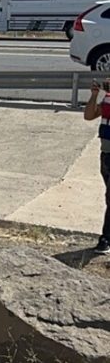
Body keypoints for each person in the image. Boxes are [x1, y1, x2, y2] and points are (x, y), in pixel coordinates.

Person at [83, 79, 110, 253]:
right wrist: (94, 95)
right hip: (106, 155)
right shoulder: (107, 98)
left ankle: (105, 239)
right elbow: (89, 115)